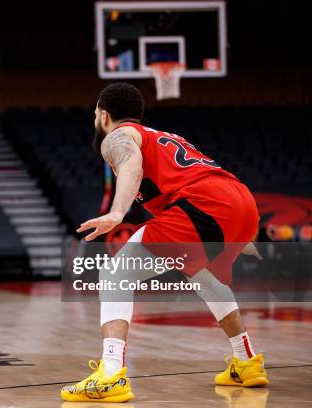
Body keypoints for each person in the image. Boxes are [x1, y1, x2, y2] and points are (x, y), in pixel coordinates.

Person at [62, 83, 267, 403]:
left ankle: (111, 374)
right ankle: (247, 362)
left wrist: (117, 213)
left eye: (95, 115)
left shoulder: (117, 136)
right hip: (240, 201)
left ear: (103, 115)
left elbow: (131, 165)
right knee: (204, 278)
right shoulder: (161, 136)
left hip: (203, 204)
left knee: (115, 274)